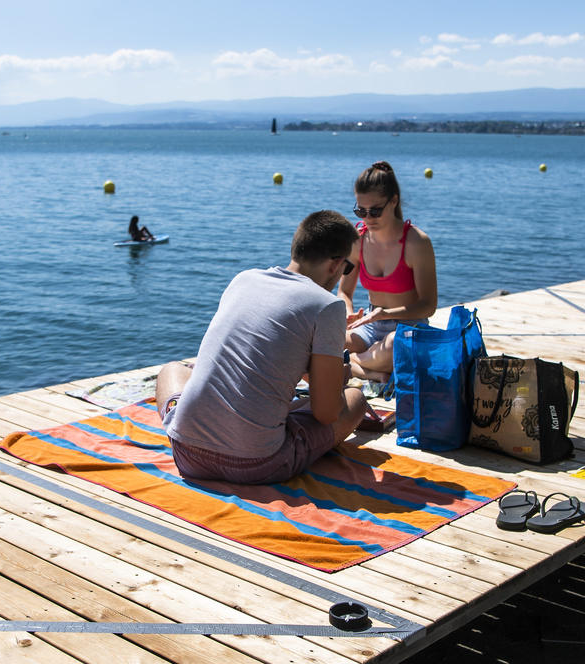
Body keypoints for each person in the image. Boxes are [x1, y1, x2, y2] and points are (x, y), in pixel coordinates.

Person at [155, 210, 369, 485]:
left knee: (173, 370)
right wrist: (336, 380)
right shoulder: (327, 305)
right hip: (258, 464)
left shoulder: (244, 279)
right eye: (348, 268)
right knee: (355, 400)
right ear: (335, 264)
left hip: (187, 454)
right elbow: (326, 413)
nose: (344, 274)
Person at [336, 161, 438, 381]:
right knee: (323, 339)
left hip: (409, 327)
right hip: (370, 327)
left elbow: (428, 305)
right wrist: (347, 311)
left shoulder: (417, 243)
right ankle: (372, 371)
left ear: (393, 201)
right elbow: (344, 292)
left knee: (396, 345)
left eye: (375, 211)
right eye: (360, 210)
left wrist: (386, 314)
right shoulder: (358, 240)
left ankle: (352, 364)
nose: (367, 218)